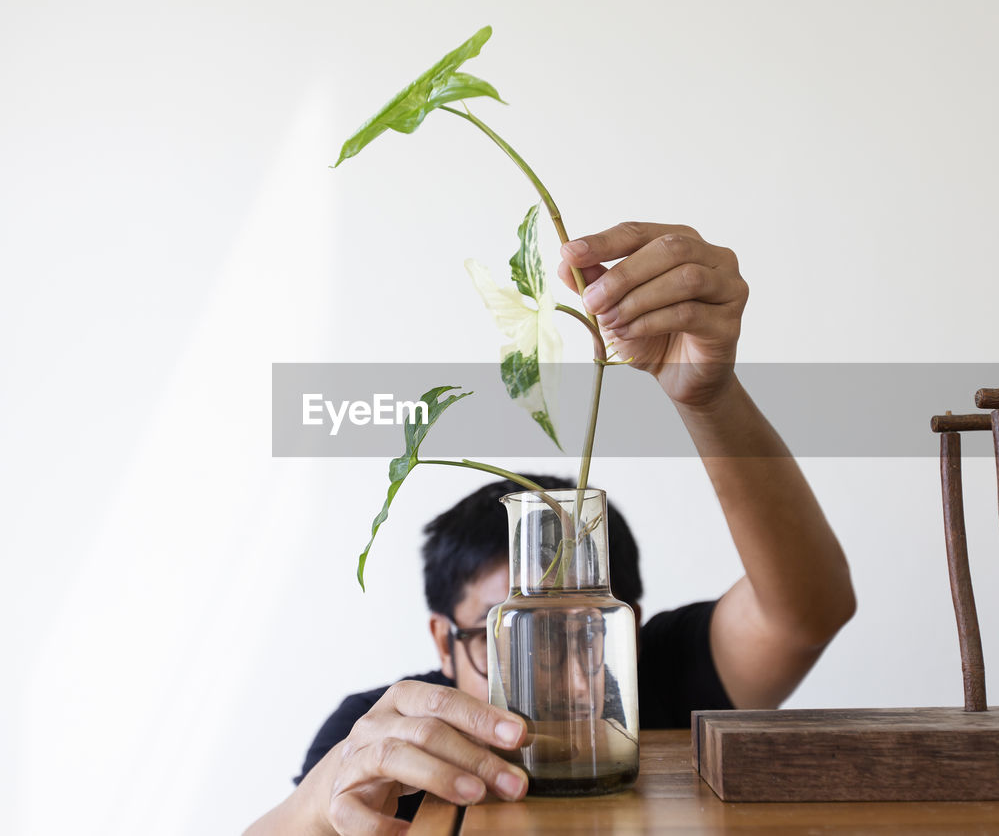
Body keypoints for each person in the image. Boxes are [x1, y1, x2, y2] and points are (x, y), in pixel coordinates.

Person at [246, 222, 856, 836]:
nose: (557, 687)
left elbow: (804, 611)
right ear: (443, 640)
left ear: (630, 630)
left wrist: (708, 397)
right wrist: (316, 805)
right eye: (507, 643)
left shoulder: (658, 682)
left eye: (584, 641)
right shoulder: (387, 737)